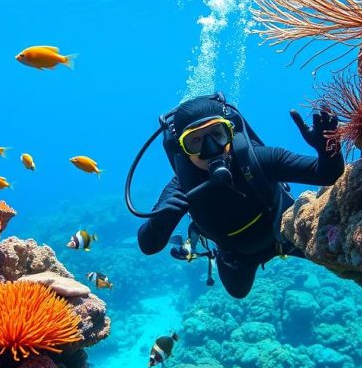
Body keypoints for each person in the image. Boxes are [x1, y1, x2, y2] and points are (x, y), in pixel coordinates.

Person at [136, 93, 344, 298]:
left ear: (230, 132)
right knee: (238, 293)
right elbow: (148, 246)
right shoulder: (182, 187)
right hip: (236, 257)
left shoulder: (259, 159)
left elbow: (327, 174)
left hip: (288, 232)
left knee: (343, 255)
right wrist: (159, 223)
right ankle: (222, 257)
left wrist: (329, 148)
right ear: (182, 149)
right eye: (195, 141)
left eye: (217, 134)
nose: (211, 149)